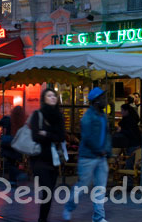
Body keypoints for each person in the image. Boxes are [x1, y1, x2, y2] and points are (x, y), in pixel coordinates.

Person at [63, 87, 111, 222]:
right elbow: (87, 137)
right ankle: (69, 206)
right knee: (83, 185)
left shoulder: (103, 116)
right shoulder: (87, 117)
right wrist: (99, 150)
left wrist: (107, 150)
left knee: (100, 188)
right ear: (96, 101)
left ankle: (99, 217)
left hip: (101, 157)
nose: (105, 100)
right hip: (88, 157)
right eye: (103, 98)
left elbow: (107, 134)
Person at [31, 88, 66, 222]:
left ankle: (43, 218)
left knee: (49, 192)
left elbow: (62, 137)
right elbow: (35, 136)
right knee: (46, 190)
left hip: (54, 159)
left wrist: (46, 134)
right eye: (49, 95)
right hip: (39, 159)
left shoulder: (58, 116)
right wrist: (52, 136)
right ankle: (42, 219)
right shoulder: (38, 114)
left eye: (54, 96)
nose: (52, 98)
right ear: (44, 99)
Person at [0, 106, 26, 186]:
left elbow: (0, 123)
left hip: (9, 143)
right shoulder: (22, 122)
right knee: (13, 162)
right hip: (17, 144)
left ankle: (16, 175)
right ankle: (13, 180)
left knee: (9, 162)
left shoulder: (8, 119)